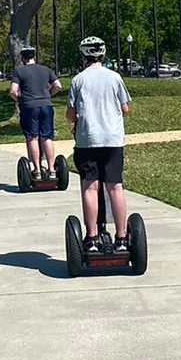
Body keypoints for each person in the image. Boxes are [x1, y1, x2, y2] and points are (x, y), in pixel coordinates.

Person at [66, 36, 132, 254]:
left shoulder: (78, 80)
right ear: (103, 55)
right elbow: (125, 109)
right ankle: (122, 238)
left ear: (84, 56)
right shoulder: (115, 78)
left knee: (90, 187)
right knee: (115, 186)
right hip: (113, 140)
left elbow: (70, 115)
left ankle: (92, 238)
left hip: (87, 140)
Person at [9, 46, 62, 179]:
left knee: (33, 137)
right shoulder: (46, 70)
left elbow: (12, 91)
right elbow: (58, 86)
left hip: (29, 107)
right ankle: (51, 170)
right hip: (46, 106)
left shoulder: (19, 72)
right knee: (47, 137)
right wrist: (48, 94)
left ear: (22, 58)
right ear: (34, 57)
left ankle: (37, 170)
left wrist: (19, 100)